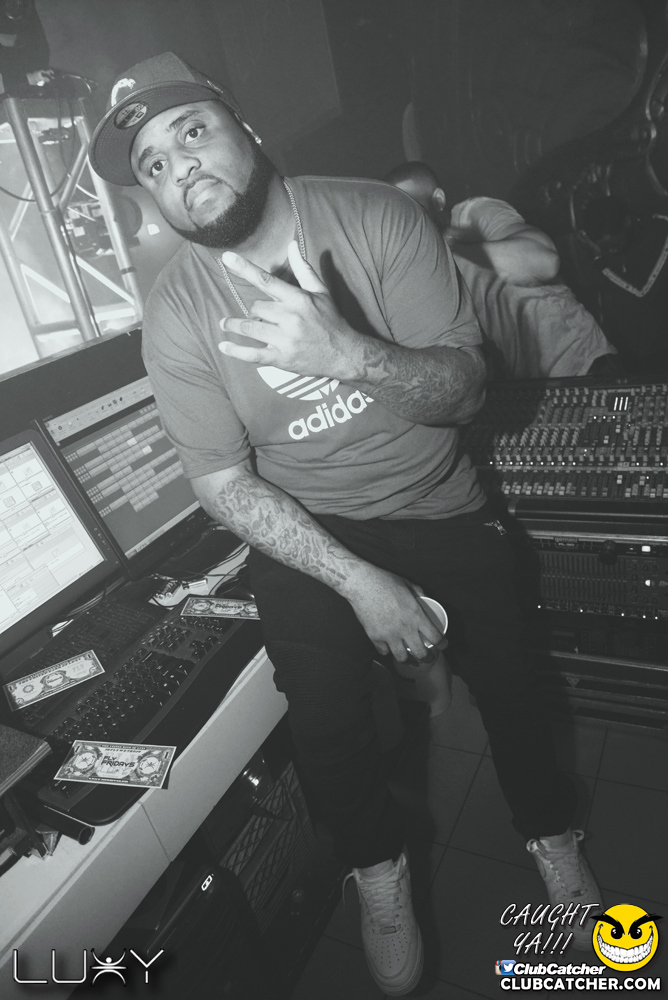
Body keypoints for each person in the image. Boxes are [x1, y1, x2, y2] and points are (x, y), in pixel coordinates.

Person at [90, 54, 601, 995]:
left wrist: (346, 354)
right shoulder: (175, 315)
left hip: (440, 501)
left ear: (246, 129)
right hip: (316, 526)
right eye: (153, 165)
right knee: (324, 722)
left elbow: (465, 392)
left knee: (515, 689)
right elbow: (220, 480)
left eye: (192, 132)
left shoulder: (374, 216)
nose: (179, 167)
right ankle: (378, 872)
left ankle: (551, 836)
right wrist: (361, 583)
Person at [384, 161, 620, 381]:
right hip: (528, 392)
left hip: (585, 366)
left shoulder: (475, 213)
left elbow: (545, 260)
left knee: (618, 412)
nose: (406, 219)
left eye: (411, 206)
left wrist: (451, 246)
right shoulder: (420, 267)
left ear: (438, 200)